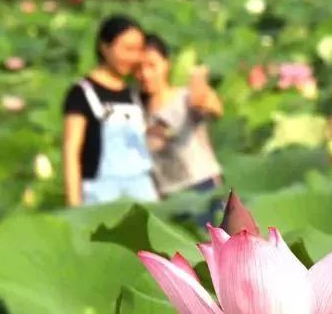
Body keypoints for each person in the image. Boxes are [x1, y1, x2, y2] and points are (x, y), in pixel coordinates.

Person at [62, 15, 157, 206]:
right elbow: (71, 151)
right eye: (128, 49)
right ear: (105, 48)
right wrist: (74, 205)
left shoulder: (135, 93)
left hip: (142, 188)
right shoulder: (82, 92)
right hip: (101, 192)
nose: (134, 57)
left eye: (139, 50)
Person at [138, 33, 224, 203]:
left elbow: (214, 108)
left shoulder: (185, 98)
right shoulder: (137, 112)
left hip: (202, 186)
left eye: (151, 66)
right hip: (169, 196)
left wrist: (200, 87)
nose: (145, 74)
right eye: (138, 68)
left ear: (166, 64)